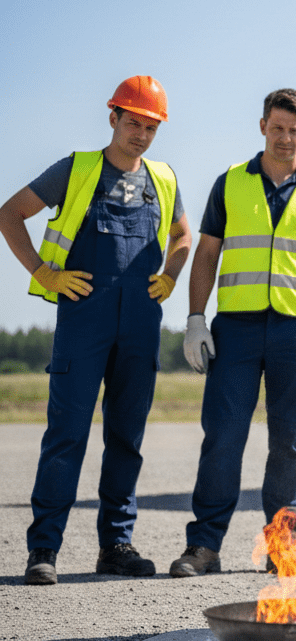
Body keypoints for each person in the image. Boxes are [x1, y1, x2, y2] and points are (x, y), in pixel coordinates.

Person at [0, 76, 192, 585]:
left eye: (151, 127)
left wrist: (171, 275)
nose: (142, 135)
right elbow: (9, 214)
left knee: (126, 439)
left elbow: (183, 235)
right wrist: (43, 273)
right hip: (84, 319)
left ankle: (117, 547)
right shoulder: (77, 169)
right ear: (113, 118)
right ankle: (44, 550)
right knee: (66, 436)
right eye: (134, 123)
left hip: (140, 326)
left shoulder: (164, 178)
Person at [169, 88, 296, 577]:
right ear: (262, 127)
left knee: (289, 441)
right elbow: (207, 254)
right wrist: (194, 320)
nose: (285, 138)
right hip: (237, 328)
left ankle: (284, 548)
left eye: (294, 130)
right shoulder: (230, 183)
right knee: (223, 438)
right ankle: (204, 547)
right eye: (277, 128)